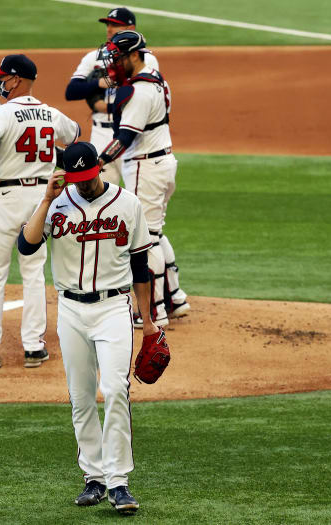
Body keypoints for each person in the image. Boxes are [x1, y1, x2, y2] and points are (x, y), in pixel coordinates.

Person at [18, 141, 158, 515]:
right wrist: (46, 200)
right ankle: (93, 479)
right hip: (70, 310)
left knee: (115, 389)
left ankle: (119, 483)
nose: (83, 184)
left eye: (88, 176)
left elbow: (142, 266)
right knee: (81, 398)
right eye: (75, 178)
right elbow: (26, 246)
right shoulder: (58, 203)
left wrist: (147, 322)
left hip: (113, 307)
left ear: (100, 167)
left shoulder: (128, 204)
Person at [0, 54, 80, 369]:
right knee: (33, 273)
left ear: (16, 80)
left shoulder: (3, 113)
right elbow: (74, 136)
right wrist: (51, 157)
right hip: (41, 198)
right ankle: (34, 348)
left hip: (5, 196)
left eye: (4, 77)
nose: (1, 81)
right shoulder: (49, 112)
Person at [97, 30, 191, 327]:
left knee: (145, 241)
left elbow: (125, 137)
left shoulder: (139, 91)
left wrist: (99, 161)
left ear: (134, 56)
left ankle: (153, 312)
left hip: (145, 167)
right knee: (156, 233)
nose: (114, 63)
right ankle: (175, 298)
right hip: (163, 162)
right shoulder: (155, 76)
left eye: (119, 57)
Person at [65, 7, 159, 187]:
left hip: (132, 134)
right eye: (108, 24)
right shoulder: (94, 57)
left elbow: (144, 97)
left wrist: (107, 105)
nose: (109, 29)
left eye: (115, 25)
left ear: (131, 29)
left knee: (137, 193)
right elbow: (71, 91)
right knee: (100, 193)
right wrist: (99, 84)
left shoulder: (145, 60)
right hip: (101, 134)